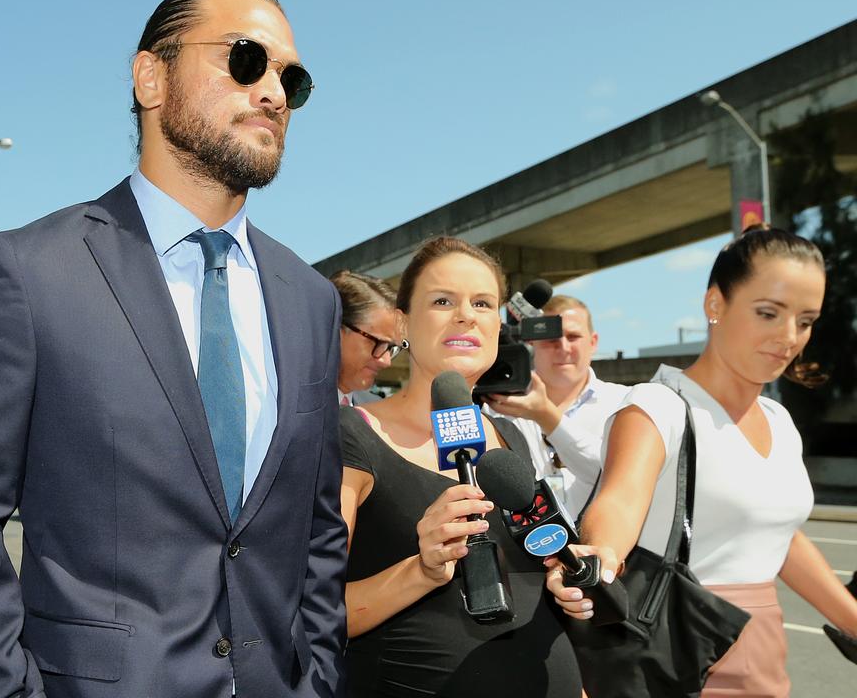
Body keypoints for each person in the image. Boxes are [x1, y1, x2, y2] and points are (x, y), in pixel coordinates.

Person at [0, 0, 346, 697]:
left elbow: (318, 529)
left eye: (290, 79)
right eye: (246, 60)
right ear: (150, 76)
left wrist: (320, 678)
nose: (273, 91)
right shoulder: (26, 274)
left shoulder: (311, 300)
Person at [547, 226, 857, 696]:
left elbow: (777, 536)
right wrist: (601, 554)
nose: (789, 336)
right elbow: (620, 499)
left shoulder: (779, 419)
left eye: (806, 319)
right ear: (715, 304)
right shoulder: (657, 406)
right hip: (680, 654)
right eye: (768, 312)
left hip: (764, 658)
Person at [339, 237, 582, 697]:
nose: (466, 315)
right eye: (443, 300)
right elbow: (312, 611)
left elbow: (535, 592)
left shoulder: (509, 437)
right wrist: (422, 569)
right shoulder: (350, 435)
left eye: (483, 303)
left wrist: (566, 573)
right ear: (403, 321)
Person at [483, 295, 629, 518]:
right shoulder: (499, 405)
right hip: (527, 547)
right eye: (551, 338)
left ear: (593, 342)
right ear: (531, 342)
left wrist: (546, 416)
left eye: (573, 336)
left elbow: (617, 477)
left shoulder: (625, 403)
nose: (562, 347)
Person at [330, 270, 402, 406]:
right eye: (378, 342)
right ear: (335, 329)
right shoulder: (282, 407)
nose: (386, 362)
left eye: (391, 348)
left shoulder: (378, 411)